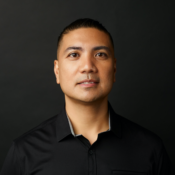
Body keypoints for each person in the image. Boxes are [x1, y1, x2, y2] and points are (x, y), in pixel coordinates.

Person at [0, 18, 174, 175]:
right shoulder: (24, 151)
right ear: (57, 71)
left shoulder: (151, 149)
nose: (88, 67)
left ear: (114, 69)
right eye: (74, 55)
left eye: (100, 55)